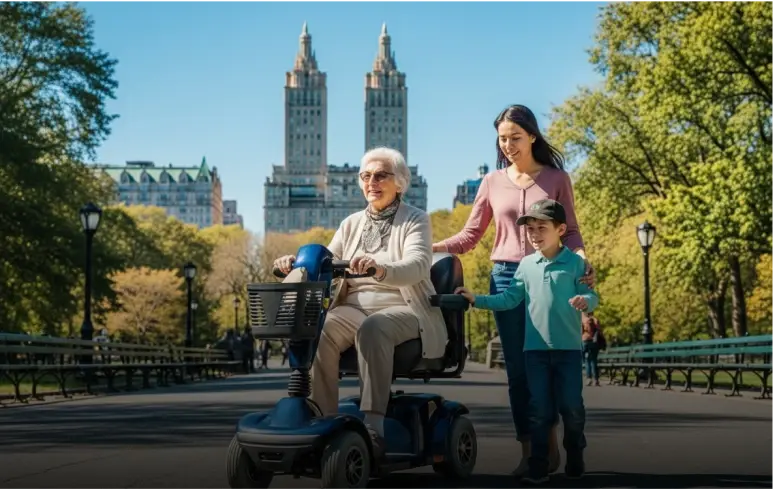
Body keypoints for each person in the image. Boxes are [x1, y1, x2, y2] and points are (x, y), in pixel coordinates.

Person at [432, 104, 595, 477]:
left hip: (553, 275)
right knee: (520, 373)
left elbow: (570, 231)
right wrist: (428, 246)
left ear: (532, 136)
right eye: (502, 139)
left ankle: (554, 441)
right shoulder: (491, 182)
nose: (507, 145)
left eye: (515, 138)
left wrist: (581, 261)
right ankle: (533, 450)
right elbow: (470, 235)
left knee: (551, 363)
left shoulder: (556, 178)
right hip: (507, 276)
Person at [273, 147, 447, 458]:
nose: (372, 182)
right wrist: (295, 264)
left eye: (381, 176)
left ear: (401, 183)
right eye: (365, 176)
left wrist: (381, 269)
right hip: (352, 306)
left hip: (405, 307)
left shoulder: (416, 219)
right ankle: (324, 422)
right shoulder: (351, 223)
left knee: (373, 327)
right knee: (321, 329)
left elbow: (419, 265)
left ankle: (373, 426)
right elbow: (323, 261)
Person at [454, 199, 600, 485]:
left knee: (571, 408)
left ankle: (575, 450)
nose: (534, 234)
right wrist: (477, 299)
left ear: (560, 229)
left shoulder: (576, 264)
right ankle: (538, 465)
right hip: (534, 352)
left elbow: (593, 295)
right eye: (530, 229)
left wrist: (586, 301)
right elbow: (509, 298)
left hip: (568, 351)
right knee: (539, 410)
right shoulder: (526, 264)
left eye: (541, 228)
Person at [582, 312, 604, 386]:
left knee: (587, 360)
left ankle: (589, 378)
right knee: (594, 361)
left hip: (585, 341)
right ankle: (596, 379)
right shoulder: (595, 319)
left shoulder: (584, 319)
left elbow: (581, 330)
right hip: (594, 342)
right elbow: (600, 331)